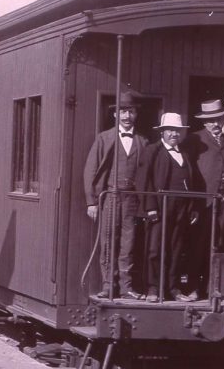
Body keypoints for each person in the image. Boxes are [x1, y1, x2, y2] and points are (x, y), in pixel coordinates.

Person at [82, 91, 152, 300]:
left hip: (132, 198)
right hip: (110, 196)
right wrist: (91, 202)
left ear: (135, 115)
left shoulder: (143, 141)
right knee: (108, 240)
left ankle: (126, 286)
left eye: (130, 112)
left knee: (128, 243)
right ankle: (108, 285)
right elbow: (90, 170)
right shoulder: (104, 138)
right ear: (115, 115)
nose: (126, 116)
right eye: (122, 112)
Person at [185, 99, 224, 297]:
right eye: (211, 121)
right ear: (204, 122)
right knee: (199, 244)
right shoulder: (195, 140)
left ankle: (213, 288)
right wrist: (193, 201)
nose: (215, 124)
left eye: (218, 119)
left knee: (219, 243)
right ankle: (193, 287)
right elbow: (189, 170)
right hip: (204, 201)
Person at [144, 112, 197, 302]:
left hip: (181, 206)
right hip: (160, 205)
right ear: (162, 132)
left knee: (176, 248)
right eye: (170, 130)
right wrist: (150, 207)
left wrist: (192, 208)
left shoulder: (185, 153)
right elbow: (145, 180)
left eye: (177, 131)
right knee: (155, 248)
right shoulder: (153, 150)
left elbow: (191, 181)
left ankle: (173, 288)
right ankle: (153, 288)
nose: (174, 134)